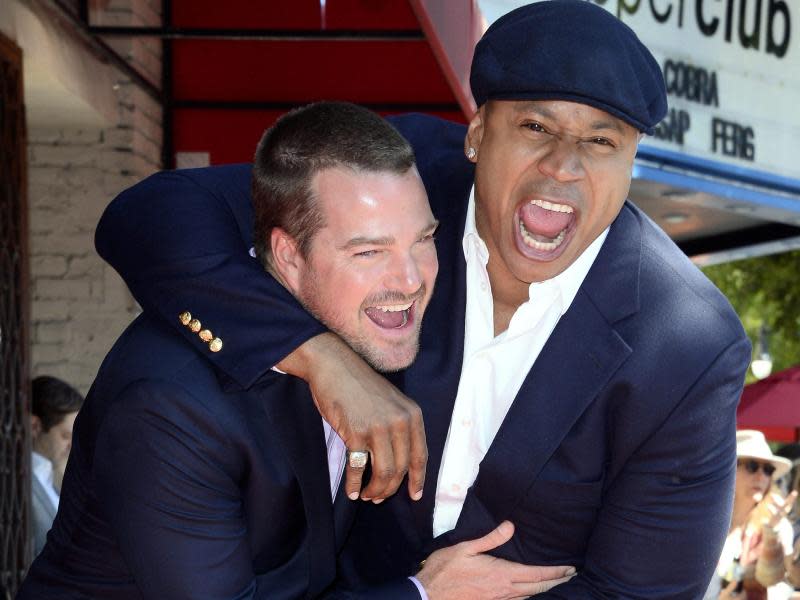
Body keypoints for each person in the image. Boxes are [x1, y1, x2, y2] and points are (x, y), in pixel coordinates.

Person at [95, 1, 752, 597]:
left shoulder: (686, 344)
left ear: (631, 162)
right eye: (535, 127)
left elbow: (641, 594)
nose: (564, 166)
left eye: (601, 141)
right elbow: (153, 217)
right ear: (475, 136)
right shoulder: (402, 185)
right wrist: (322, 359)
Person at [19, 103, 572, 599]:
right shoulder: (173, 409)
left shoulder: (369, 320)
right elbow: (154, 210)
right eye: (368, 250)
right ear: (285, 256)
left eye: (423, 239)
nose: (410, 280)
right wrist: (424, 595)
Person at [705, 431, 798, 599]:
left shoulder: (777, 525)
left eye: (768, 470)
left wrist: (772, 534)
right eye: (752, 466)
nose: (761, 476)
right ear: (728, 469)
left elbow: (778, 587)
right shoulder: (704, 523)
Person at [29, 375, 84, 556]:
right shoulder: (17, 485)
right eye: (65, 436)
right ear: (35, 426)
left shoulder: (50, 480)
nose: (72, 445)